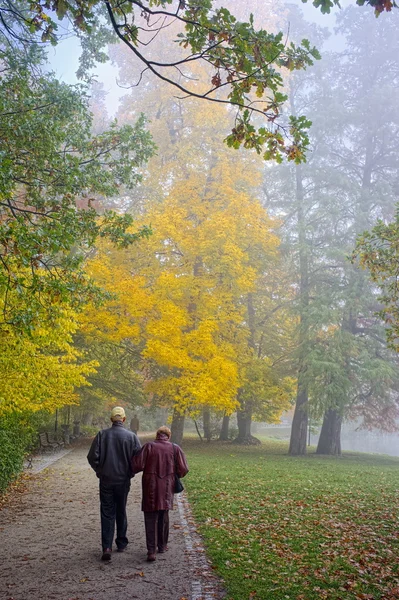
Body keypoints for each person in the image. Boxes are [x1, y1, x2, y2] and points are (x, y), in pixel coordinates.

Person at [87, 406, 141, 562]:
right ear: (124, 420)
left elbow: (92, 457)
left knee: (107, 511)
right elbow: (139, 459)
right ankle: (122, 542)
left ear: (111, 419)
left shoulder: (102, 435)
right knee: (121, 509)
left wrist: (99, 470)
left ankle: (107, 547)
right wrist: (130, 472)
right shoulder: (131, 437)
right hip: (123, 480)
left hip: (106, 480)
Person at [131, 426, 188, 562]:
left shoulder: (148, 447)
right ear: (168, 436)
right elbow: (184, 469)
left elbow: (136, 465)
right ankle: (162, 546)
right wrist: (175, 475)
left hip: (150, 486)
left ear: (157, 435)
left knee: (150, 517)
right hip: (167, 486)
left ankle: (151, 551)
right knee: (164, 514)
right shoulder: (175, 448)